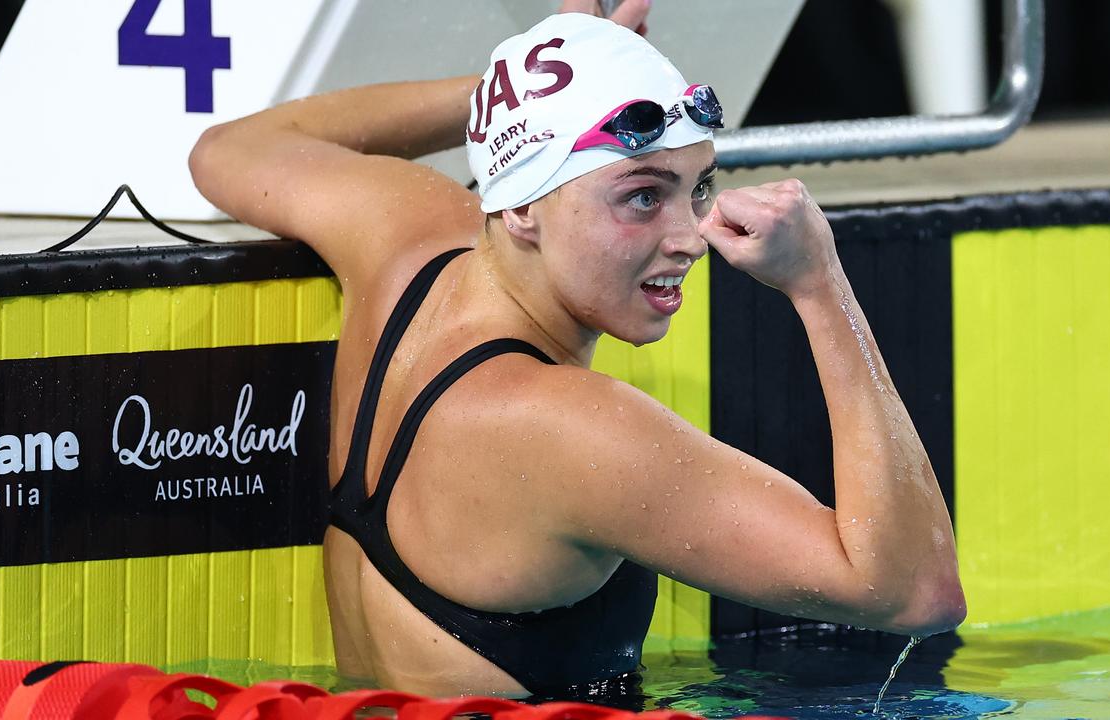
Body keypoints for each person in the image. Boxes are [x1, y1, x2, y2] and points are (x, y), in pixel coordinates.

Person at [189, 0, 965, 699]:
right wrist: (820, 284)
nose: (689, 237)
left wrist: (519, 94)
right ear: (523, 207)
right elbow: (912, 593)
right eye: (641, 196)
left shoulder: (403, 236)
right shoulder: (568, 427)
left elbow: (229, 150)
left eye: (696, 187)